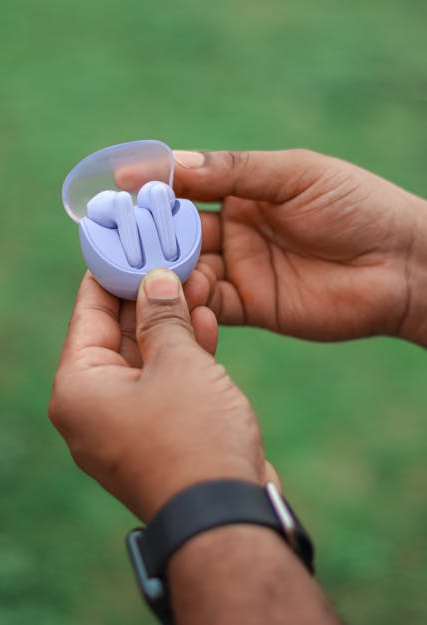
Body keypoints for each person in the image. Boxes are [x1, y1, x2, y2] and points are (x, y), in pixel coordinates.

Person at [48, 149, 427, 625]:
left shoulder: (158, 213)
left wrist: (199, 494)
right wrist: (411, 262)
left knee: (149, 199)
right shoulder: (149, 214)